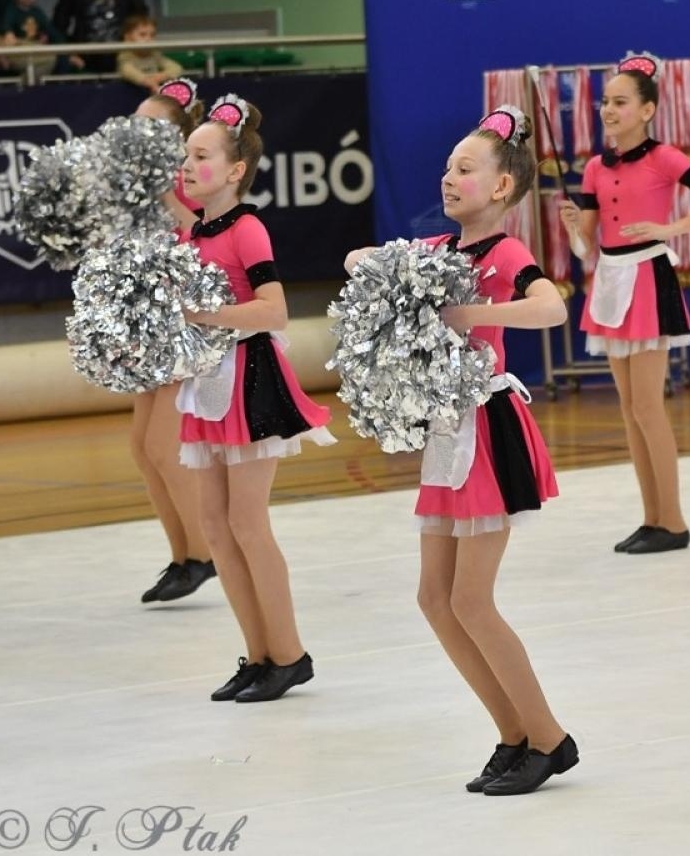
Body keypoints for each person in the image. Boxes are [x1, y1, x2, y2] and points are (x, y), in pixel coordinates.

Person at [345, 105, 577, 796]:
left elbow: (552, 308)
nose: (450, 177)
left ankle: (550, 738)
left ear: (502, 188)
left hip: (487, 426)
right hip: (448, 431)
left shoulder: (504, 253)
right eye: (448, 167)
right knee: (434, 598)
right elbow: (363, 261)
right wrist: (376, 263)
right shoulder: (439, 255)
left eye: (466, 168)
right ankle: (513, 734)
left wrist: (476, 313)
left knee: (471, 600)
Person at [177, 95, 334, 702]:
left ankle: (289, 653)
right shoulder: (194, 231)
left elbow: (274, 310)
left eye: (201, 156)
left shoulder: (248, 228)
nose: (188, 166)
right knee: (215, 527)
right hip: (207, 380)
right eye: (185, 156)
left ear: (236, 169)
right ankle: (259, 653)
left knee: (247, 520)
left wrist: (204, 314)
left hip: (250, 379)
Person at [558, 52, 690, 555]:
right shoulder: (595, 166)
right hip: (610, 279)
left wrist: (670, 230)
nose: (608, 110)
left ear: (647, 110)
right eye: (605, 102)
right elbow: (587, 246)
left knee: (647, 406)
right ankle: (651, 518)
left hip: (649, 278)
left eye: (620, 102)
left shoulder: (666, 158)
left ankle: (674, 522)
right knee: (628, 410)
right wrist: (574, 229)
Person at [128, 77, 212, 603]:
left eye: (150, 126)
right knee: (141, 448)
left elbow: (204, 228)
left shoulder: (190, 175)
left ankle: (203, 554)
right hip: (150, 320)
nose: (138, 133)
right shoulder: (134, 180)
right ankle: (182, 557)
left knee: (164, 446)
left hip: (187, 322)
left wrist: (160, 188)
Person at [117, 13, 183, 90]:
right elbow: (128, 71)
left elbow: (176, 67)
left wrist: (163, 76)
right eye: (142, 35)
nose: (148, 39)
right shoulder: (125, 56)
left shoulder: (154, 54)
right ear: (127, 38)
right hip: (130, 92)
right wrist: (148, 81)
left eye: (152, 35)